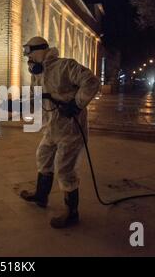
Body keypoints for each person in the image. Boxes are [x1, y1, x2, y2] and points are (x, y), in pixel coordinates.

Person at [20, 36, 100, 229]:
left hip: (71, 130)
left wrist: (75, 104)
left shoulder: (66, 66)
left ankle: (71, 213)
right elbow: (35, 97)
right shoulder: (37, 74)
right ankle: (41, 195)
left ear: (40, 51)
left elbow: (91, 81)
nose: (28, 59)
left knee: (65, 169)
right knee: (43, 156)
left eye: (29, 54)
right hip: (51, 128)